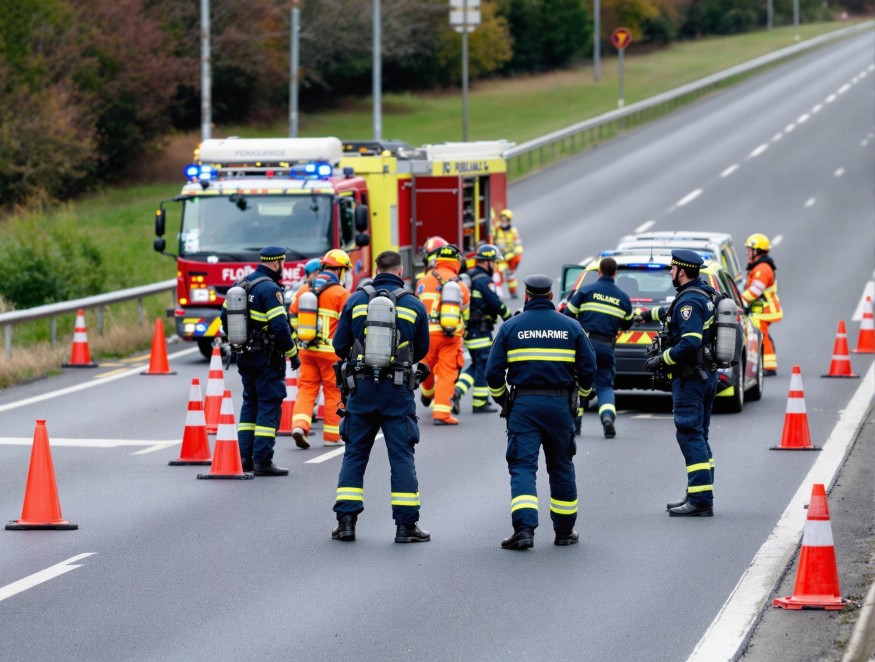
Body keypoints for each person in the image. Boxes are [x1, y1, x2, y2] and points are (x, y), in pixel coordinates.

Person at [486, 274, 596, 550]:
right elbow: (589, 369)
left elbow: (493, 373)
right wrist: (579, 398)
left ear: (526, 296)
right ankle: (564, 532)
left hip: (524, 406)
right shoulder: (571, 326)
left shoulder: (511, 327)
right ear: (551, 296)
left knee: (523, 467)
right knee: (561, 466)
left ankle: (524, 530)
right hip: (560, 405)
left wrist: (504, 401)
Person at [331, 250, 431, 543]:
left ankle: (346, 523)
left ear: (376, 271)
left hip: (361, 391)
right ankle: (406, 527)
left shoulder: (356, 300)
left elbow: (339, 345)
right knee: (401, 457)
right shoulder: (413, 303)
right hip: (397, 392)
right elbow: (422, 349)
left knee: (354, 454)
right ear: (400, 272)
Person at [641, 249, 717, 517]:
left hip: (690, 378)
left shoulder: (689, 302)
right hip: (705, 375)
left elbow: (690, 342)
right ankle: (698, 492)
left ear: (681, 271)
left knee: (689, 433)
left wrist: (660, 360)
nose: (670, 273)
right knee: (699, 435)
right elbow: (671, 312)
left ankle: (701, 500)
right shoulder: (702, 293)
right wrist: (646, 314)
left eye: (672, 269)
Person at [220, 246, 299, 476]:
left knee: (250, 402)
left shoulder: (240, 284)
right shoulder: (270, 289)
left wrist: (242, 340)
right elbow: (280, 327)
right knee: (269, 404)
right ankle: (263, 461)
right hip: (267, 359)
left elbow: (224, 318)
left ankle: (245, 457)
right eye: (283, 262)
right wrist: (293, 353)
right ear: (276, 263)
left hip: (245, 356)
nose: (283, 266)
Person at [288, 249, 352, 448]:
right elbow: (348, 325)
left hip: (306, 350)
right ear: (340, 270)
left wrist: (300, 337)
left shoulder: (304, 289)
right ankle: (332, 437)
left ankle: (299, 426)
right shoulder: (341, 293)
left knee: (306, 389)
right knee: (333, 392)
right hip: (331, 354)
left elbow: (292, 315)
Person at [563, 257, 634, 438]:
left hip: (585, 345)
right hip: (606, 346)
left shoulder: (585, 291)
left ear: (599, 272)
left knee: (578, 382)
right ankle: (607, 416)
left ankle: (576, 424)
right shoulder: (623, 298)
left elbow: (568, 314)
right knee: (605, 386)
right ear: (615, 273)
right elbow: (627, 323)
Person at [453, 244, 510, 414]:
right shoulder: (484, 280)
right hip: (480, 331)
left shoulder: (470, 276)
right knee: (484, 364)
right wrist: (511, 319)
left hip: (470, 330)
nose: (495, 266)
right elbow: (496, 304)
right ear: (488, 262)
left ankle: (456, 392)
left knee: (477, 364)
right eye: (494, 262)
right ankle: (479, 403)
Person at [417, 244, 471, 425]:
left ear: (437, 261)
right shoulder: (460, 285)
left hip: (425, 334)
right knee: (447, 373)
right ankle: (441, 414)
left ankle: (427, 393)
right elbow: (465, 311)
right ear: (457, 262)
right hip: (450, 337)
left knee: (425, 367)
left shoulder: (423, 281)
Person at [741, 233, 782, 376]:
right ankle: (767, 364)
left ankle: (769, 367)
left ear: (757, 251)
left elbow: (755, 291)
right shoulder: (760, 266)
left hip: (764, 310)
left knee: (762, 336)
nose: (747, 252)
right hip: (761, 309)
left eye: (749, 249)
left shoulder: (762, 268)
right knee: (763, 335)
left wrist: (740, 300)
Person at [493, 209, 523, 299]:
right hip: (499, 256)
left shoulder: (513, 231)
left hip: (510, 256)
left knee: (511, 275)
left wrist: (516, 258)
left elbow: (518, 246)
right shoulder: (497, 229)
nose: (503, 222)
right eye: (502, 220)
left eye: (505, 220)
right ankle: (497, 293)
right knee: (497, 275)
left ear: (509, 220)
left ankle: (513, 292)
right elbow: (492, 240)